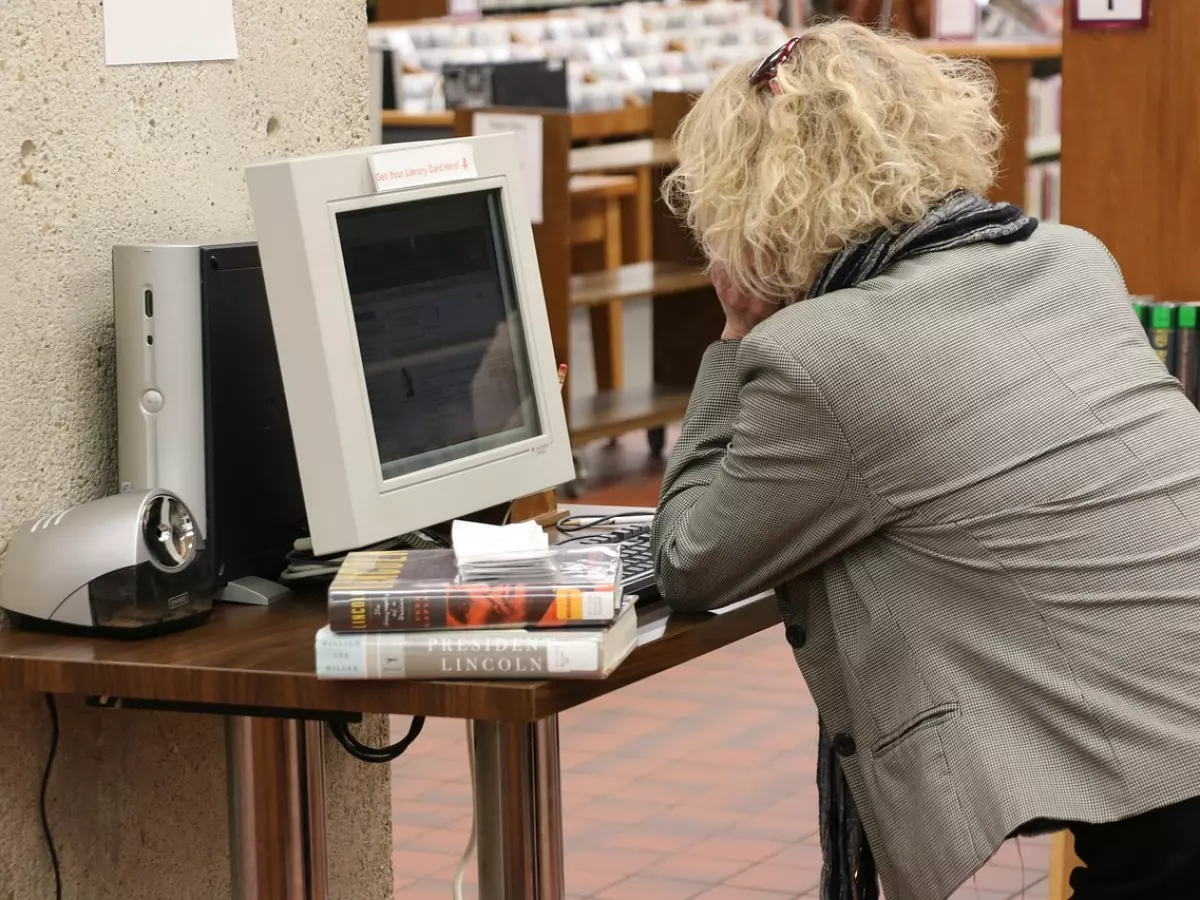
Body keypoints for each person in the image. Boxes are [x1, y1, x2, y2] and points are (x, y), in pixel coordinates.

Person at [650, 20, 1200, 900]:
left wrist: (734, 337)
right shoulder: (1067, 256)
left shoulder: (818, 357)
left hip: (1171, 809)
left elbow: (691, 561)